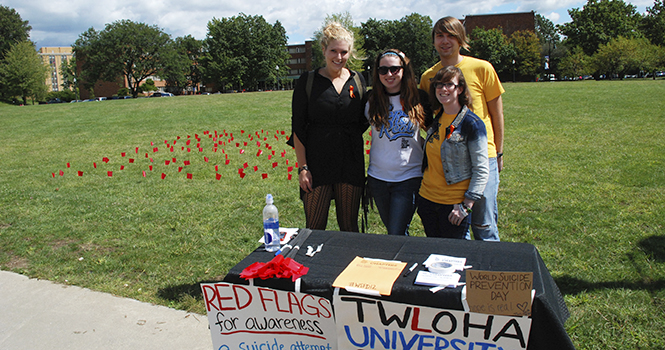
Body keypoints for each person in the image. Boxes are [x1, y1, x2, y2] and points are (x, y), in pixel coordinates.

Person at [419, 16, 505, 241]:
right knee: (456, 228)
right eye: (440, 35)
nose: (445, 41)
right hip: (448, 163)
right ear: (434, 40)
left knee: (483, 225)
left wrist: (499, 152)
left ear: (461, 40)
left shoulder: (482, 68)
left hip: (482, 157)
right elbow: (430, 119)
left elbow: (496, 113)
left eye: (451, 35)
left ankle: (488, 274)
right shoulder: (428, 77)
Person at [291, 22, 368, 232]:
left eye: (344, 52)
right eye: (333, 50)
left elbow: (365, 119)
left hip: (350, 164)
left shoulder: (358, 80)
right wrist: (303, 168)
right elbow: (298, 128)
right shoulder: (307, 81)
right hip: (317, 165)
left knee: (349, 228)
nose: (339, 57)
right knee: (314, 228)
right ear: (323, 50)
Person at [364, 49, 432, 235]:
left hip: (408, 177)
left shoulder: (419, 98)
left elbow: (436, 132)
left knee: (395, 232)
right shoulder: (371, 100)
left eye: (394, 69)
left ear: (404, 70)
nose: (389, 74)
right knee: (395, 232)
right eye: (383, 70)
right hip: (378, 178)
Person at [417, 66, 489, 239]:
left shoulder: (472, 124)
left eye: (449, 84)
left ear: (460, 89)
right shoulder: (437, 120)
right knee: (433, 254)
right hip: (427, 200)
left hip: (453, 206)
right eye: (439, 85)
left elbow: (481, 169)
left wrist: (466, 206)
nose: (443, 89)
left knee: (453, 260)